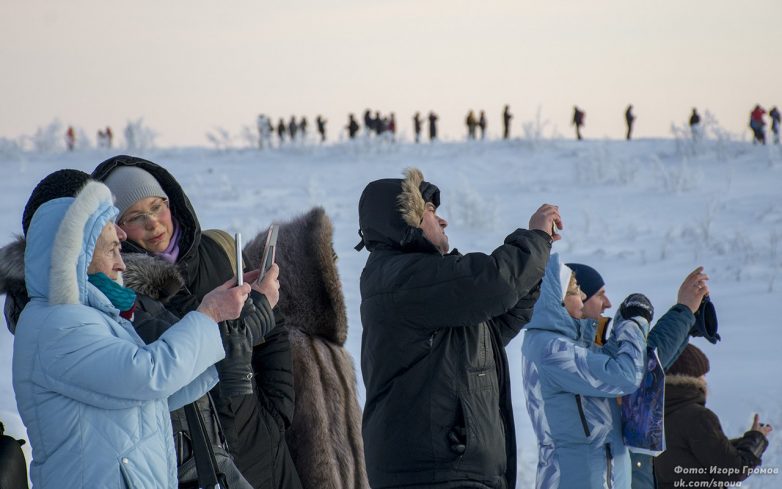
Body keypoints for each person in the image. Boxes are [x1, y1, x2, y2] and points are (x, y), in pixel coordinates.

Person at [2, 169, 266, 488]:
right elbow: (147, 375)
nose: (123, 264)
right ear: (76, 254)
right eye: (112, 250)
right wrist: (209, 314)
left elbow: (149, 396)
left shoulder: (96, 317)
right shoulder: (58, 325)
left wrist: (217, 343)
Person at [93, 157, 303, 489]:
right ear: (114, 228)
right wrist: (254, 311)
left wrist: (277, 410)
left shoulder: (217, 250)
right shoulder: (118, 287)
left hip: (262, 442)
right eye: (135, 216)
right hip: (198, 462)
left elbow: (273, 331)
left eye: (157, 206)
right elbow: (169, 363)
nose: (153, 223)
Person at [356, 167, 558, 488]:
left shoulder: (421, 283)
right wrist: (533, 239)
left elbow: (493, 327)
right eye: (432, 211)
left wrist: (529, 278)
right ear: (404, 220)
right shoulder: (404, 277)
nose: (443, 220)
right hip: (433, 474)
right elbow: (494, 283)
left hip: (450, 470)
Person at [566, 264, 713, 489]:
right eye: (600, 295)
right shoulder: (572, 351)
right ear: (578, 298)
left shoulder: (589, 346)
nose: (608, 303)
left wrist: (686, 322)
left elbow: (647, 366)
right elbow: (642, 368)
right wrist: (683, 313)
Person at [522, 253, 654, 489]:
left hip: (593, 474)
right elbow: (624, 376)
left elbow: (605, 364)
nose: (583, 296)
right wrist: (635, 326)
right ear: (556, 297)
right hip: (580, 477)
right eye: (575, 291)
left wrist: (623, 321)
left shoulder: (557, 343)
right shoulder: (553, 350)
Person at [653, 344, 772, 488]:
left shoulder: (653, 416)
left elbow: (694, 452)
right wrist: (756, 440)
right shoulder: (698, 418)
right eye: (703, 374)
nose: (706, 379)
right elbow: (732, 470)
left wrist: (745, 441)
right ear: (693, 378)